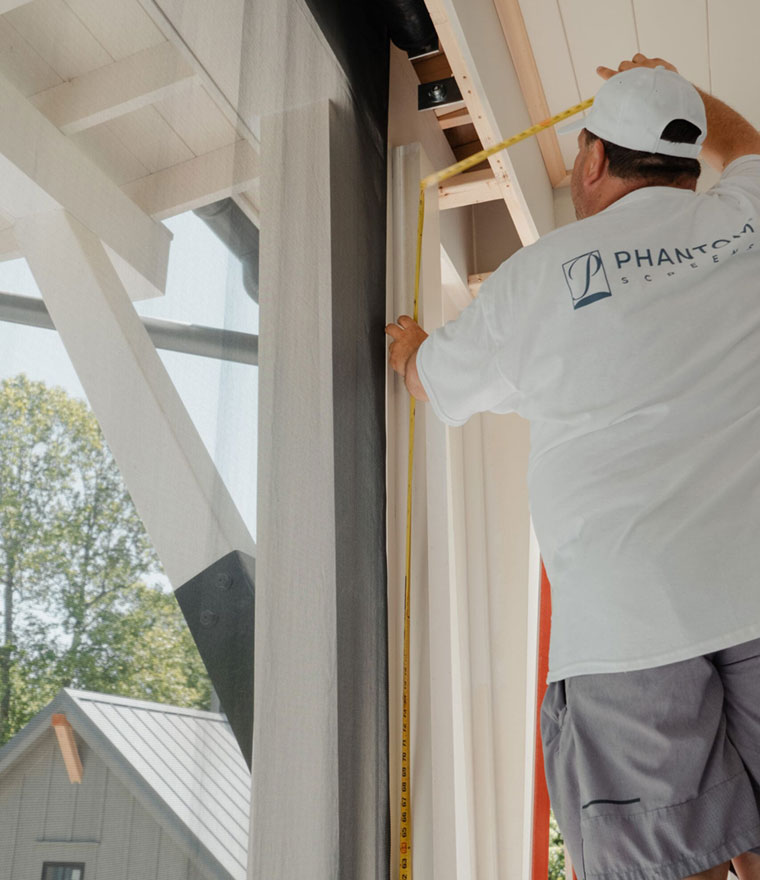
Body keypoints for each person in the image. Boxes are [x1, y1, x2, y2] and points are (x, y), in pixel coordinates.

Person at [386, 54, 760, 880]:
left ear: (592, 161)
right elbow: (750, 146)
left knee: (667, 866)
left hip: (630, 631)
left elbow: (427, 382)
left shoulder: (541, 276)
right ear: (688, 163)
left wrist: (411, 347)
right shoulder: (746, 221)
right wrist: (679, 89)